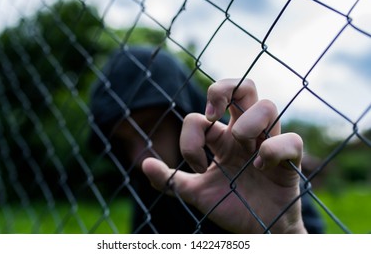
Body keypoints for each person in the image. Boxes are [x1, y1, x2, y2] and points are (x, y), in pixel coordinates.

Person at [89, 45, 324, 233]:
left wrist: (284, 232)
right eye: (125, 141)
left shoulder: (250, 155)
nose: (139, 156)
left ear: (179, 113)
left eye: (150, 129)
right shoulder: (150, 183)